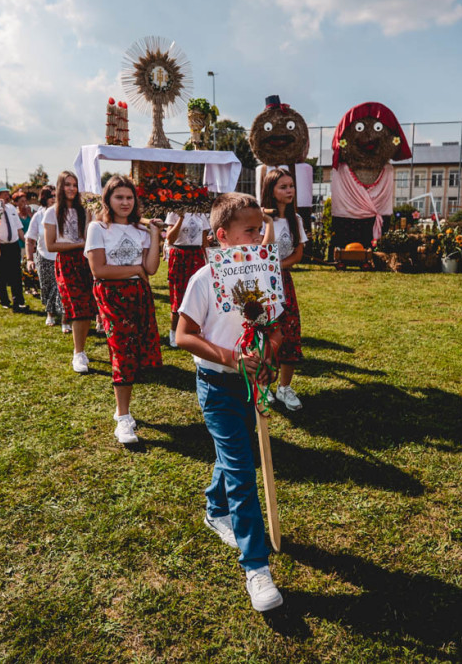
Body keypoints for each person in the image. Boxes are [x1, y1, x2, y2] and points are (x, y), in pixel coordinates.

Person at [175, 192, 283, 613]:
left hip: (251, 383)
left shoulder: (265, 273)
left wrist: (267, 353)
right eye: (250, 231)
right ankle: (256, 566)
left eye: (261, 229)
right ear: (223, 236)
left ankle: (214, 508)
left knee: (233, 452)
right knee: (241, 469)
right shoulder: (204, 279)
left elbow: (275, 329)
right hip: (217, 386)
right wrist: (231, 358)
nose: (260, 237)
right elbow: (183, 336)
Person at [84, 175, 163, 444]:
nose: (125, 202)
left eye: (129, 197)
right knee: (121, 351)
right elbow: (99, 269)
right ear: (108, 200)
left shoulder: (141, 230)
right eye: (119, 197)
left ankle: (124, 410)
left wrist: (154, 236)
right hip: (111, 295)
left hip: (139, 294)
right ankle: (123, 417)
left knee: (136, 352)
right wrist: (135, 269)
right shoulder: (98, 228)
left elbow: (151, 268)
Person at [260, 169, 306, 411]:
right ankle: (264, 385)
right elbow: (260, 252)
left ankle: (285, 387)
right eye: (283, 187)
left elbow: (298, 253)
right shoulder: (257, 219)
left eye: (291, 186)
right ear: (271, 191)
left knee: (289, 331)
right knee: (265, 333)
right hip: (262, 284)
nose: (289, 191)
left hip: (284, 281)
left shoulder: (295, 220)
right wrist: (267, 223)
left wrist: (276, 266)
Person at [46, 170, 97, 371]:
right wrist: (79, 245)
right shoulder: (52, 212)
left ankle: (81, 350)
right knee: (77, 307)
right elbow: (51, 245)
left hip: (85, 260)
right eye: (67, 184)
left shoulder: (84, 210)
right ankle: (78, 353)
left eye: (74, 185)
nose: (72, 189)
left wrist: (92, 213)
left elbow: (89, 236)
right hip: (67, 262)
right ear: (60, 187)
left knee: (86, 306)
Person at [164, 207, 211, 347]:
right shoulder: (174, 212)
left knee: (199, 294)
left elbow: (204, 241)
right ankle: (174, 332)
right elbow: (170, 238)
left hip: (196, 255)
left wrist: (210, 260)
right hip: (179, 254)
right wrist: (181, 218)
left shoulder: (201, 212)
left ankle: (196, 331)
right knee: (178, 295)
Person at [25, 197, 62, 327]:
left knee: (61, 288)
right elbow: (30, 239)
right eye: (50, 196)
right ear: (44, 199)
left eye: (55, 196)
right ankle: (50, 313)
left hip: (61, 256)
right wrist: (29, 259)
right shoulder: (38, 216)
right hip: (44, 256)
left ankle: (65, 318)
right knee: (47, 286)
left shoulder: (65, 213)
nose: (53, 199)